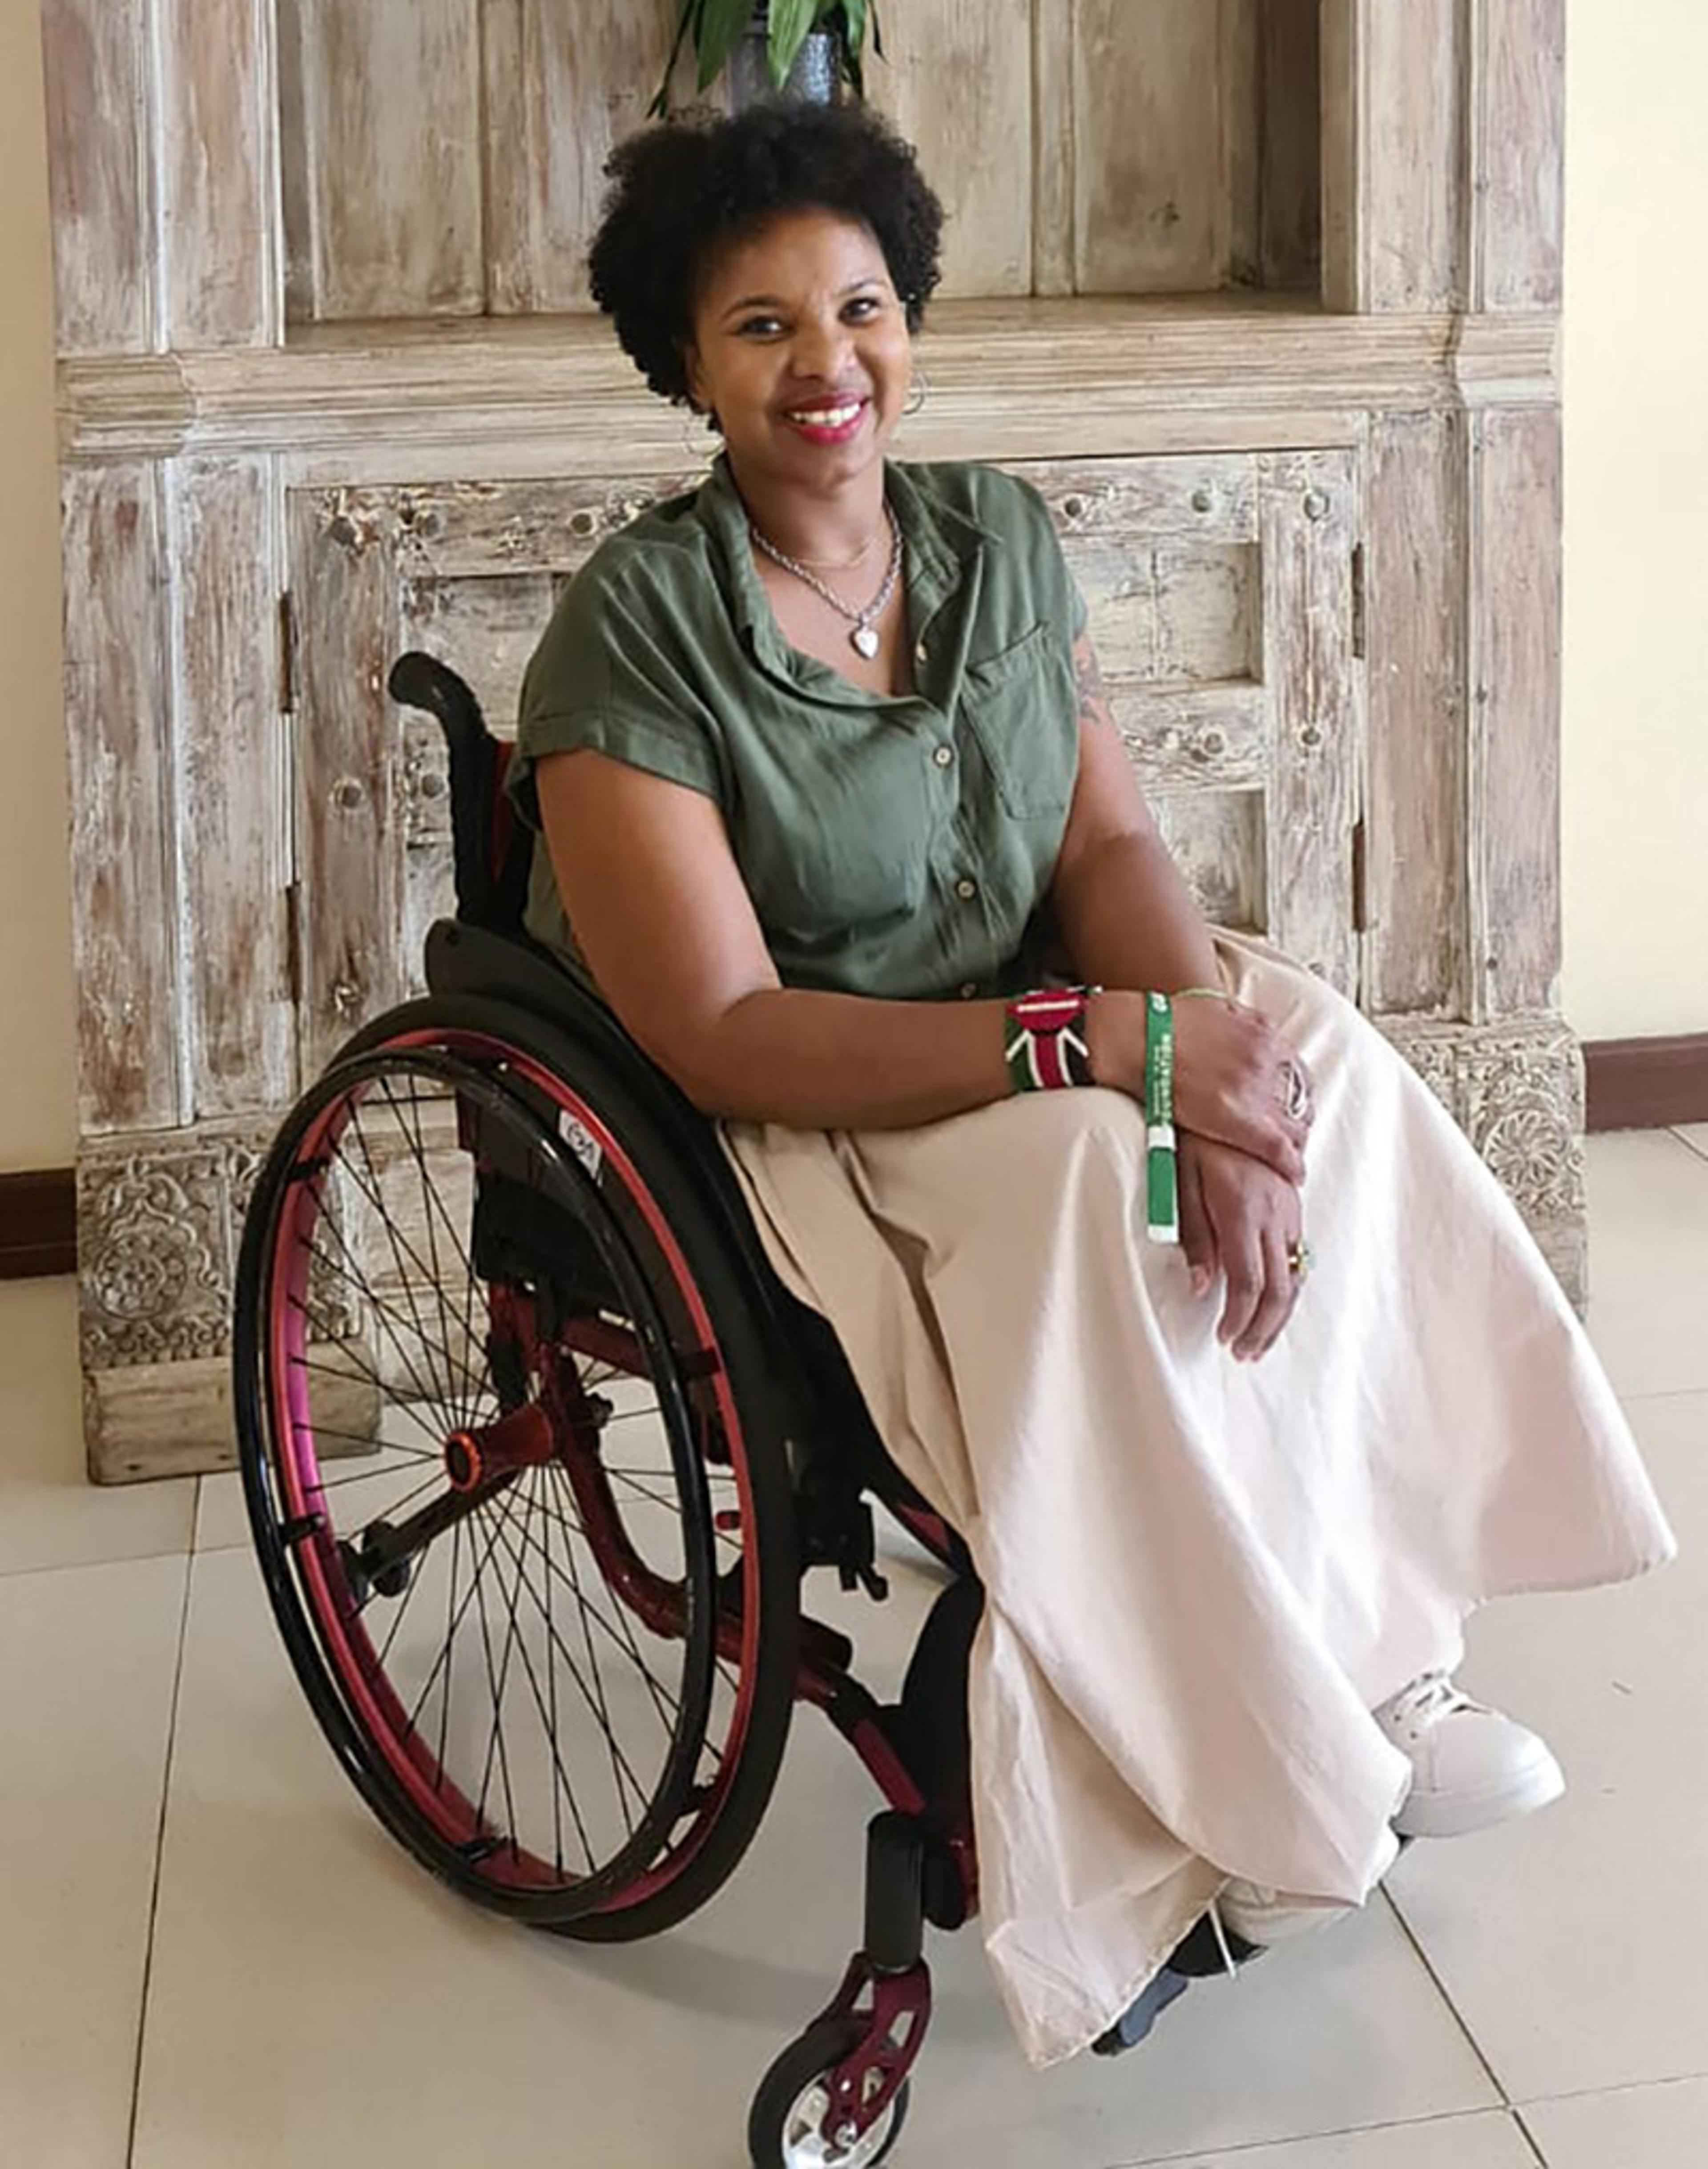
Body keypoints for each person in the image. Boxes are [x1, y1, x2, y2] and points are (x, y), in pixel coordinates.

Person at [506, 100, 1675, 2070]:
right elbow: (721, 1027)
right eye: (762, 324)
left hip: (1042, 1020)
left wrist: (1216, 1085)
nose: (827, 362)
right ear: (685, 362)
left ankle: (1385, 1664)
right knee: (1082, 1194)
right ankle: (1232, 1792)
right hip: (830, 1097)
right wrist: (1113, 1054)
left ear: (912, 323)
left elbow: (1110, 861)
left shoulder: (996, 544)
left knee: (1320, 1064)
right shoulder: (639, 630)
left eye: (862, 307)